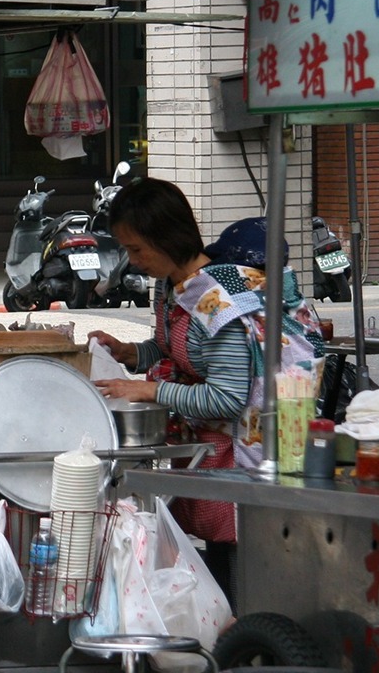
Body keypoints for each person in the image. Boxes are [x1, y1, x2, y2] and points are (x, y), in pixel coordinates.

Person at [87, 179, 322, 605]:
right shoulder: (174, 287)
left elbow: (228, 398)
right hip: (209, 450)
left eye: (138, 249)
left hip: (248, 450)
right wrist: (129, 353)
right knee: (213, 561)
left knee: (238, 572)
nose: (133, 261)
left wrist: (149, 390)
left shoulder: (217, 301)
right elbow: (172, 347)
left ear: (168, 238)